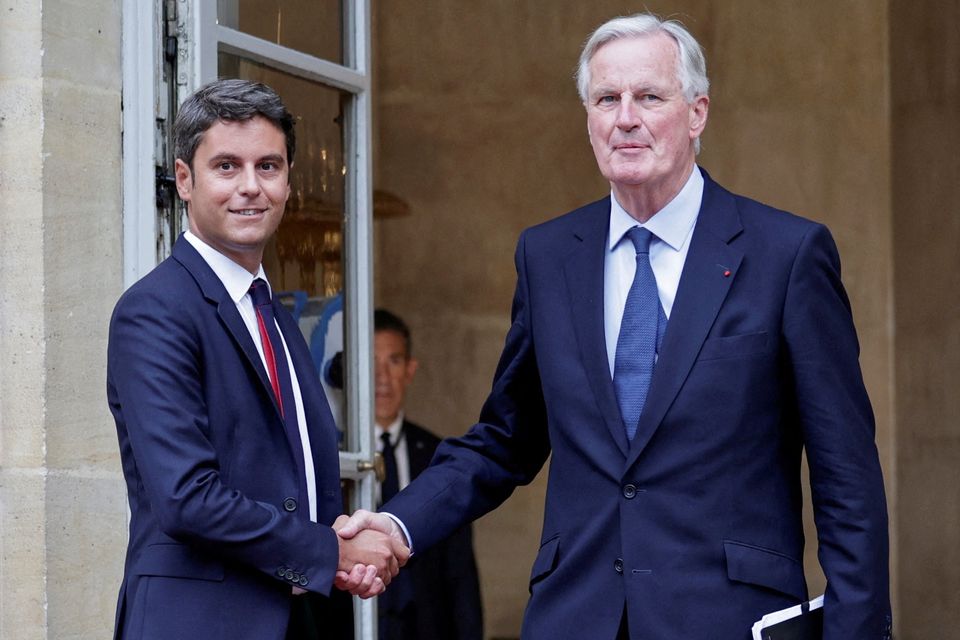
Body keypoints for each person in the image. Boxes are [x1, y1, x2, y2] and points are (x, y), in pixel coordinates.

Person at [338, 13, 892, 640]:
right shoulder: (548, 256)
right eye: (607, 98)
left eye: (649, 96)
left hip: (730, 619)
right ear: (589, 119)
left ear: (697, 113)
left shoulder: (787, 254)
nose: (625, 117)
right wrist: (397, 525)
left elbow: (847, 476)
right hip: (577, 616)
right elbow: (506, 438)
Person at [107, 78, 408, 640]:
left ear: (289, 183)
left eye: (268, 166)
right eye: (227, 167)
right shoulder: (153, 311)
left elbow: (286, 476)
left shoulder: (274, 314)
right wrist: (330, 552)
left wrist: (335, 540)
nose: (251, 187)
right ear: (184, 181)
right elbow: (187, 498)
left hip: (299, 619)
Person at [372, 309, 483, 640]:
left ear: (410, 370)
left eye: (393, 361)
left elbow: (460, 572)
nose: (381, 376)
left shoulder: (439, 455)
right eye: (371, 361)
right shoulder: (339, 457)